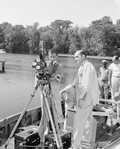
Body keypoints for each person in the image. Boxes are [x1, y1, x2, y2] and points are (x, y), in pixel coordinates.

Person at [60, 50, 99, 149]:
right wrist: (71, 86)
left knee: (78, 121)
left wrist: (81, 98)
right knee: (87, 121)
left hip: (85, 99)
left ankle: (76, 146)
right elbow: (77, 79)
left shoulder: (88, 66)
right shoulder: (82, 67)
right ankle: (86, 141)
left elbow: (86, 84)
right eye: (74, 57)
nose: (75, 59)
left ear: (83, 56)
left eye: (77, 57)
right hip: (87, 99)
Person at [34, 48, 65, 139]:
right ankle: (45, 128)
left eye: (54, 56)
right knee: (45, 110)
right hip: (45, 89)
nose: (52, 58)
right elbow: (37, 77)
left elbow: (63, 80)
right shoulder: (44, 64)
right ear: (49, 56)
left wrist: (58, 78)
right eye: (51, 56)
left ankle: (59, 128)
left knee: (57, 108)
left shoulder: (60, 66)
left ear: (57, 56)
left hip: (55, 89)